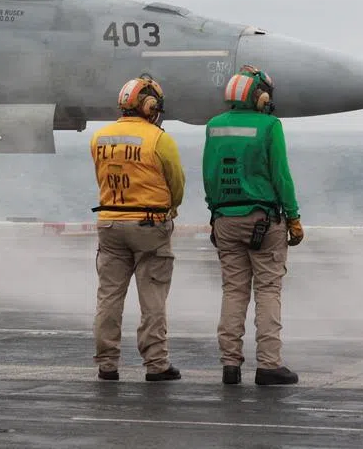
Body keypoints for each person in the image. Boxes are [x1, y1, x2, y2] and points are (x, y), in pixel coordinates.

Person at [202, 64, 304, 387]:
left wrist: (215, 213)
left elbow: (209, 175)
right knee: (268, 290)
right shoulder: (270, 126)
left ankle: (230, 365)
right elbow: (281, 177)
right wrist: (294, 217)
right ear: (259, 95)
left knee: (233, 292)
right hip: (263, 223)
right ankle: (268, 365)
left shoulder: (214, 127)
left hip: (224, 220)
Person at [88, 75, 185, 382]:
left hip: (110, 223)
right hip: (149, 225)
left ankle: (107, 364)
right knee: (152, 297)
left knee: (109, 297)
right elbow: (176, 183)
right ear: (150, 105)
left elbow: (101, 176)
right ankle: (156, 365)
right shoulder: (159, 139)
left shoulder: (99, 137)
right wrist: (171, 208)